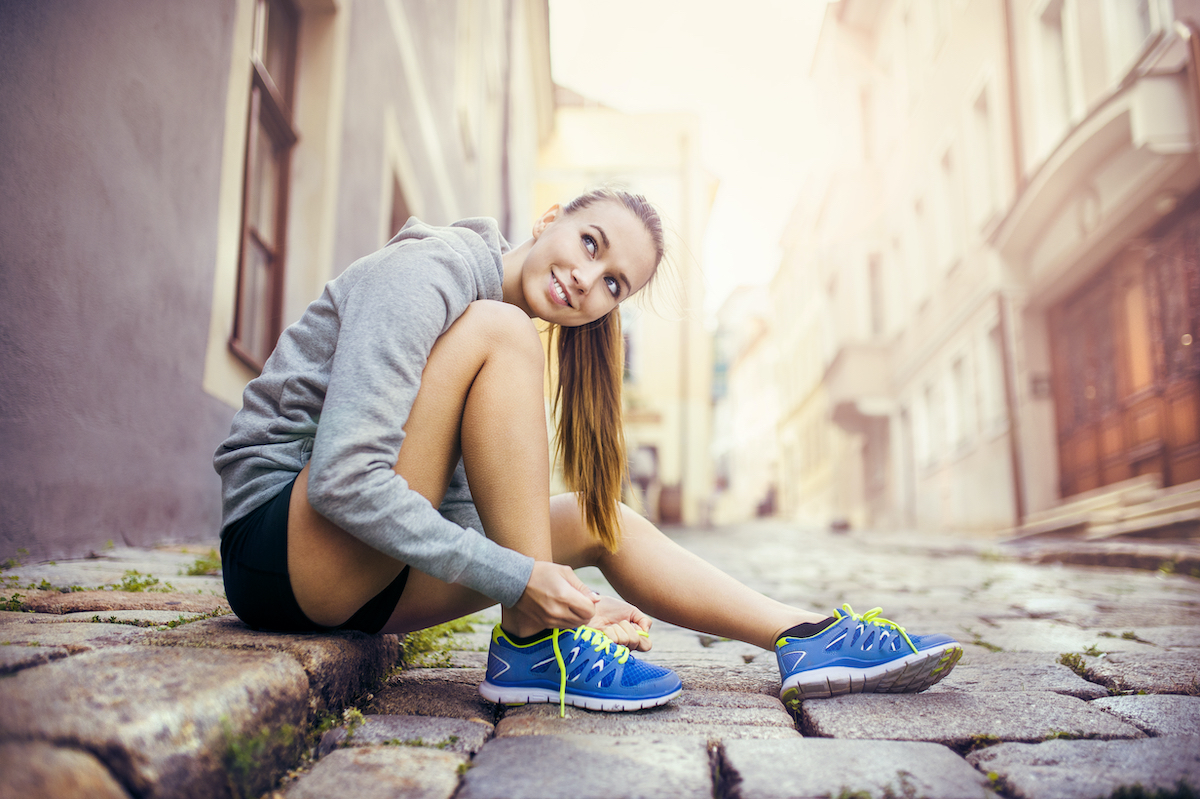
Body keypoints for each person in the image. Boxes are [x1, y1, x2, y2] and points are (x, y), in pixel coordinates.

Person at [214, 189, 962, 716]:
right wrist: (525, 579)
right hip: (278, 553)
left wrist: (571, 597)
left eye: (612, 283)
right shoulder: (437, 275)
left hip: (360, 577)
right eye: (589, 243)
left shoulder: (494, 336)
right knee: (501, 332)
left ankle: (807, 637)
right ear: (550, 219)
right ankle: (536, 648)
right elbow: (346, 480)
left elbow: (459, 515)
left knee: (605, 520)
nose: (586, 280)